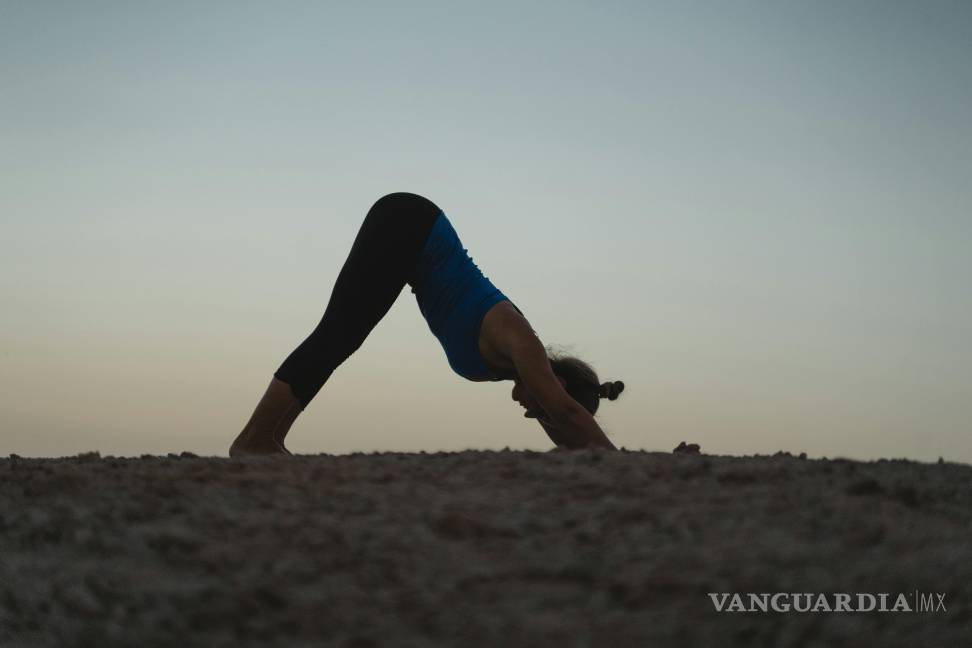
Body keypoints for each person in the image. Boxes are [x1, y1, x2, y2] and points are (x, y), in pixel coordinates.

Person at [229, 192, 625, 456]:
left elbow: (563, 423)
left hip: (411, 244)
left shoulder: (518, 366)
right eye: (539, 411)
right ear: (560, 386)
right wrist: (619, 463)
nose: (527, 413)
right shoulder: (521, 340)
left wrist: (581, 450)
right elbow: (566, 414)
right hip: (410, 224)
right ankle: (256, 439)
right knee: (339, 334)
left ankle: (265, 438)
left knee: (341, 337)